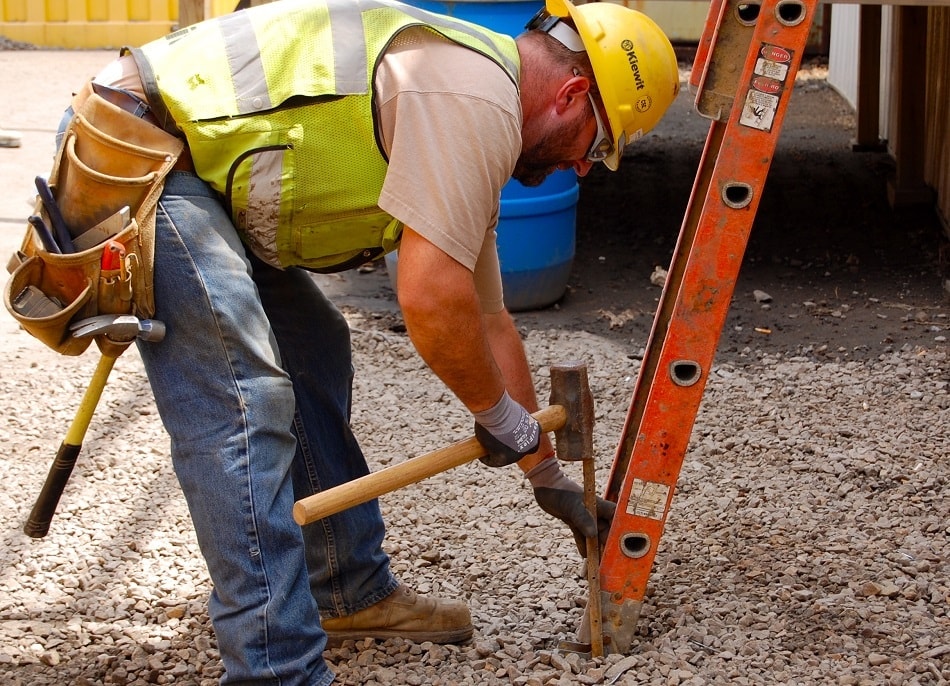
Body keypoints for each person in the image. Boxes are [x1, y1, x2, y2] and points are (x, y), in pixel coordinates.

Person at [60, 0, 679, 682]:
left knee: (315, 350)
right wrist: (505, 421)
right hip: (143, 148)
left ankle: (344, 591)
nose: (585, 169)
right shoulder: (472, 99)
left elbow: (487, 316)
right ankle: (276, 670)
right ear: (571, 94)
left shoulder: (474, 99)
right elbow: (431, 303)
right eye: (597, 145)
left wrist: (547, 477)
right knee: (244, 404)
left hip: (200, 170)